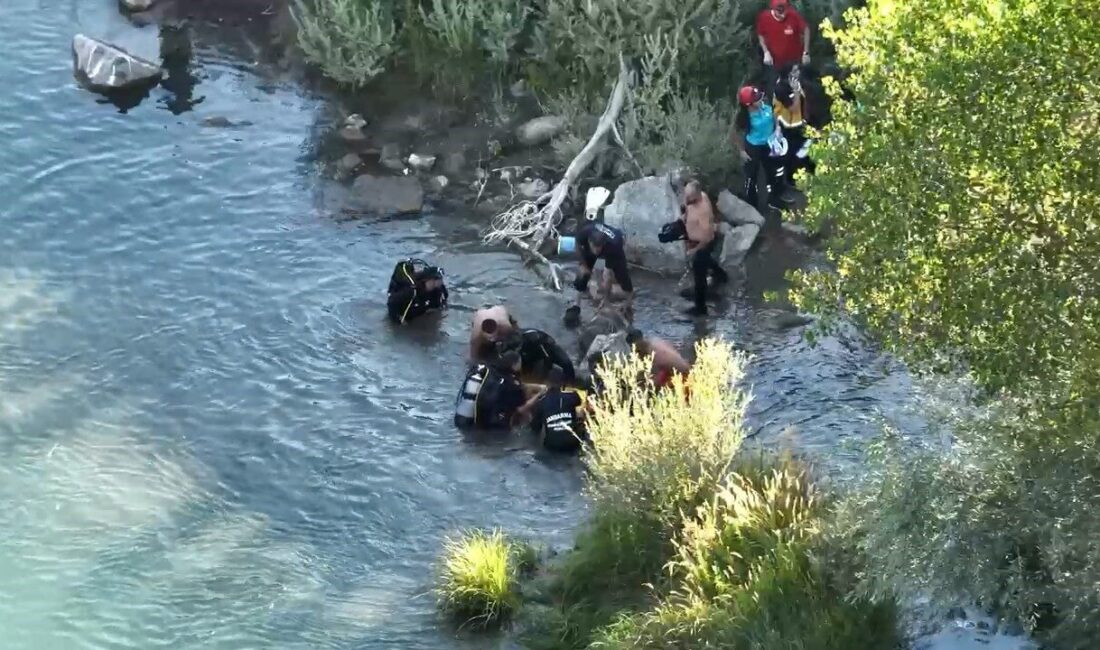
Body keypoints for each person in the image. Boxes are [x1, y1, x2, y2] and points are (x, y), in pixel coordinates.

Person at [733, 84, 789, 209]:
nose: (761, 99)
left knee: (773, 172)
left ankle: (774, 199)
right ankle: (752, 204)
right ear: (749, 104)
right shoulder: (744, 117)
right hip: (753, 148)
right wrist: (741, 151)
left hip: (769, 145)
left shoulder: (764, 107)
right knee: (752, 177)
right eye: (757, 99)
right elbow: (734, 133)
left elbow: (774, 115)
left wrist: (778, 127)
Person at [681, 181, 729, 316]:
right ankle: (721, 275)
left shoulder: (703, 210)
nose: (686, 199)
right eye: (686, 195)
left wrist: (694, 251)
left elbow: (707, 238)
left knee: (699, 274)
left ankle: (700, 307)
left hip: (702, 244)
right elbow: (687, 208)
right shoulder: (698, 196)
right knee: (707, 260)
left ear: (696, 196)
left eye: (689, 197)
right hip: (695, 240)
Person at [454, 350, 536, 429]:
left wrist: (537, 387)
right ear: (514, 365)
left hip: (462, 420)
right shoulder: (511, 385)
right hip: (490, 429)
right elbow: (521, 409)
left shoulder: (488, 371)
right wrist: (539, 395)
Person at [522, 366, 588, 453]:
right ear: (563, 383)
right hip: (573, 443)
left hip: (552, 446)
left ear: (547, 383)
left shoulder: (541, 403)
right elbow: (581, 403)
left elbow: (535, 428)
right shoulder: (573, 397)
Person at [756, 0, 811, 94]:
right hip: (774, 63)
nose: (783, 14)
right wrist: (766, 52)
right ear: (773, 9)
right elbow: (760, 34)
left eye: (784, 10)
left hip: (794, 62)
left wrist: (805, 52)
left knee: (797, 86)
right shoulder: (764, 17)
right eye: (779, 11)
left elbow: (806, 30)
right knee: (775, 88)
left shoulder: (793, 15)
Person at [773, 69, 816, 188]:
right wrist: (796, 91)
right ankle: (791, 179)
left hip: (800, 123)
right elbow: (794, 107)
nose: (798, 72)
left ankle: (811, 169)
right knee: (792, 154)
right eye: (795, 70)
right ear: (789, 74)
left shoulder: (795, 83)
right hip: (790, 127)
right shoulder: (781, 89)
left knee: (807, 146)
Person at [573, 222, 633, 306]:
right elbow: (577, 244)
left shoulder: (613, 246)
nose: (597, 251)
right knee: (583, 273)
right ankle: (581, 291)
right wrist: (582, 264)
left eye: (599, 248)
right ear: (589, 241)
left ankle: (628, 301)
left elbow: (607, 275)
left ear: (603, 244)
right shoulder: (585, 232)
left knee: (622, 276)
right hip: (591, 247)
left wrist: (605, 299)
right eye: (595, 247)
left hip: (614, 247)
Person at [498, 329, 576, 384]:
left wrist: (544, 377)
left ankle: (570, 382)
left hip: (547, 348)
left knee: (567, 363)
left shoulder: (534, 338)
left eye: (518, 348)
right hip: (529, 354)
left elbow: (547, 358)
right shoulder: (507, 343)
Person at [386, 259, 448, 324]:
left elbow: (441, 301)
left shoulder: (438, 289)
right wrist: (398, 320)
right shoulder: (412, 290)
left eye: (440, 279)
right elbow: (391, 303)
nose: (439, 282)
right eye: (436, 279)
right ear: (427, 280)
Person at [626, 329, 691, 388]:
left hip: (683, 375)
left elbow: (657, 380)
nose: (633, 351)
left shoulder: (655, 354)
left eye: (634, 348)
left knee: (648, 386)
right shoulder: (654, 341)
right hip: (684, 366)